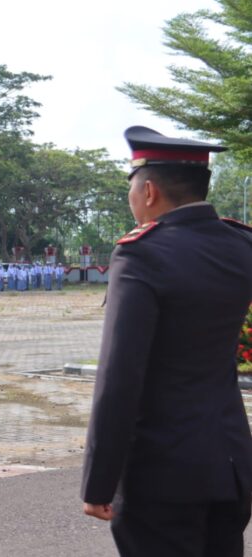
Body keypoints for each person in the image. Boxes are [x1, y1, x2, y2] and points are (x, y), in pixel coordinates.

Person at [81, 126, 252, 556]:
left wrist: (99, 480)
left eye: (132, 188)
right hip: (231, 466)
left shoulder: (142, 253)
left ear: (150, 191)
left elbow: (120, 377)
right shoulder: (241, 243)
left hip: (163, 476)